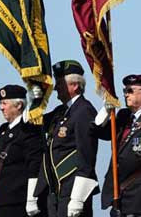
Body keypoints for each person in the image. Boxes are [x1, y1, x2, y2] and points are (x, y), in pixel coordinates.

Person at [91, 74, 141, 217]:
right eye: (125, 91)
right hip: (119, 194)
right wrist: (106, 109)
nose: (126, 94)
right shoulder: (123, 116)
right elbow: (98, 132)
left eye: (130, 91)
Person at [35, 60, 99, 217]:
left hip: (73, 190)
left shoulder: (84, 111)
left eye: (60, 83)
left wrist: (78, 197)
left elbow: (86, 155)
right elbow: (33, 125)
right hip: (57, 190)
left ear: (75, 85)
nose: (55, 87)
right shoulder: (60, 112)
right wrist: (36, 99)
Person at [0, 84, 43, 217]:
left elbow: (34, 166)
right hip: (1, 200)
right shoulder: (3, 129)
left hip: (20, 201)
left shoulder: (29, 129)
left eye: (4, 103)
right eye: (1, 103)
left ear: (18, 105)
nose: (1, 107)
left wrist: (32, 199)